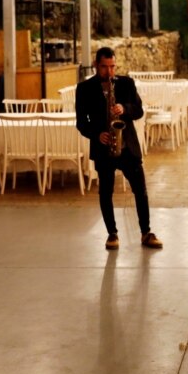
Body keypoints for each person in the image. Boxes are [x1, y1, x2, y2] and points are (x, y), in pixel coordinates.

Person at [76, 47, 163, 250]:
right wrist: (97, 134)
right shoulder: (85, 88)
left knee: (140, 190)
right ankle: (112, 234)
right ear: (97, 65)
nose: (109, 72)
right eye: (105, 67)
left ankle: (146, 232)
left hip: (127, 147)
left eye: (113, 67)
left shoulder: (126, 83)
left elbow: (139, 110)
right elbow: (81, 122)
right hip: (103, 147)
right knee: (105, 193)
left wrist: (124, 108)